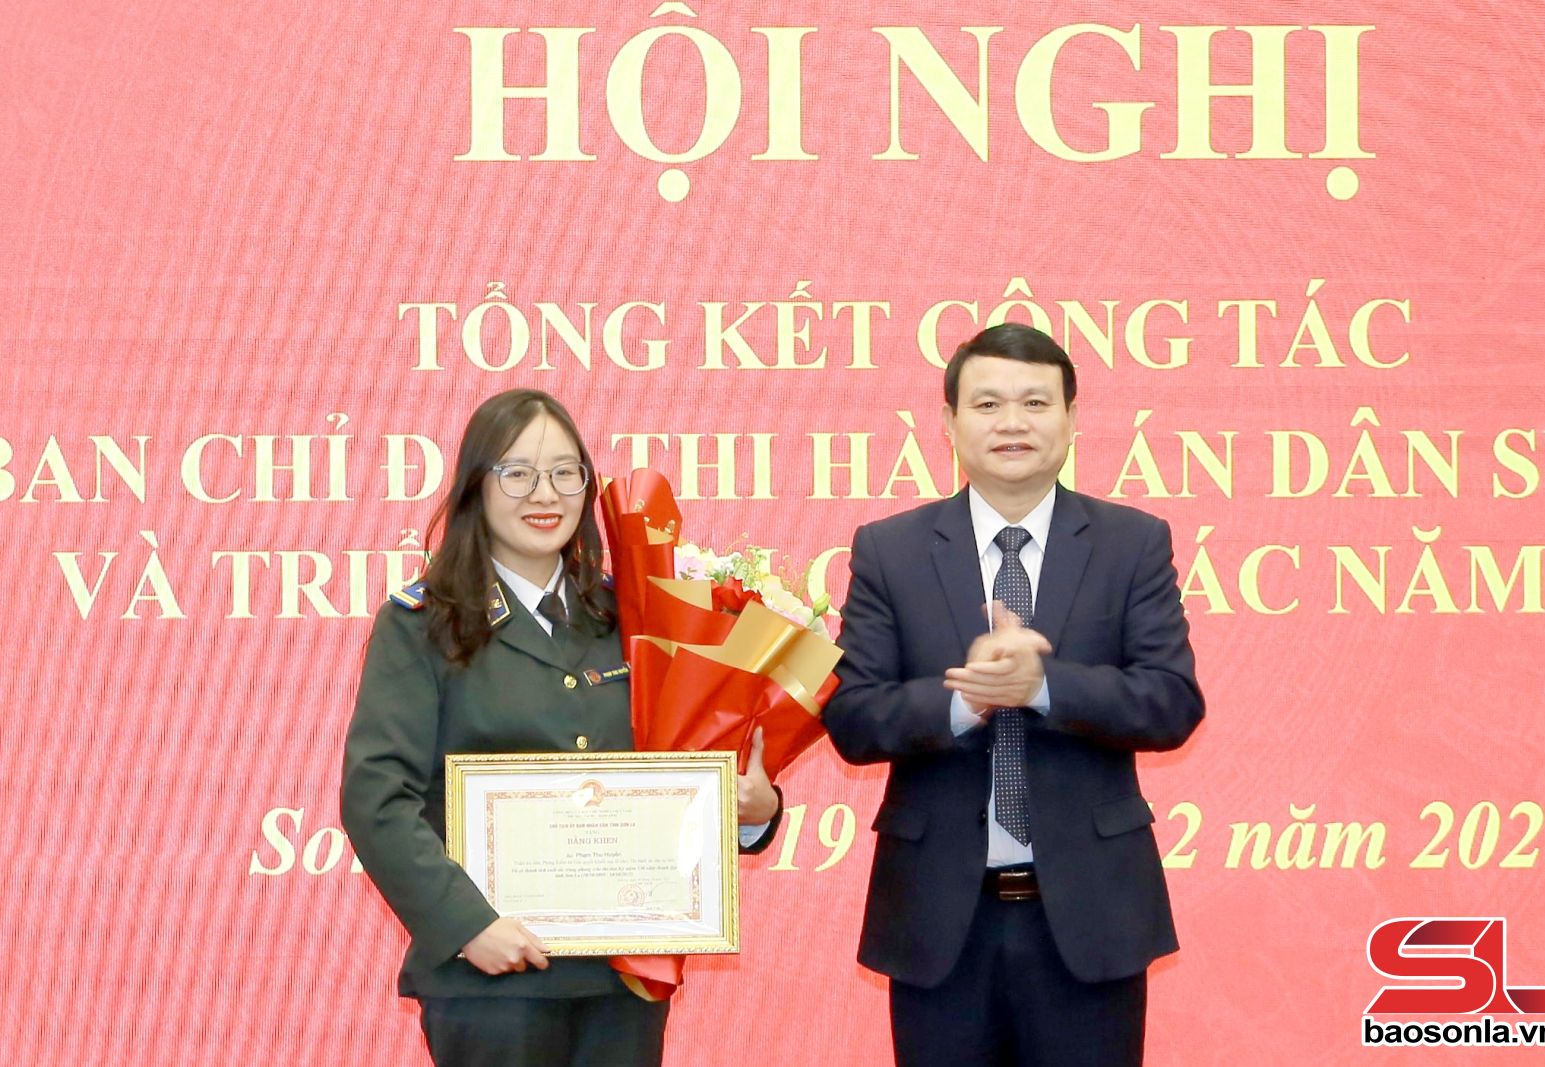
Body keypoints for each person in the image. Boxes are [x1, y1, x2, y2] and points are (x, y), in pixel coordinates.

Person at [341, 389, 782, 1067]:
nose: (543, 493)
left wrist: (749, 811)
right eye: (517, 472)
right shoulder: (424, 623)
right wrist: (468, 925)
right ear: (475, 485)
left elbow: (678, 766)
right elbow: (377, 799)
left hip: (622, 977)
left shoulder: (633, 615)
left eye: (564, 472)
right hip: (490, 978)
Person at [824, 323, 1204, 1067]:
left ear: (1071, 418)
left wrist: (1043, 688)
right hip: (938, 919)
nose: (1012, 423)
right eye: (988, 403)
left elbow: (1171, 701)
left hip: (1092, 917)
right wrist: (966, 701)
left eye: (1035, 402)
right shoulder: (890, 549)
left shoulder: (1132, 542)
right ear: (949, 422)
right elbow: (852, 716)